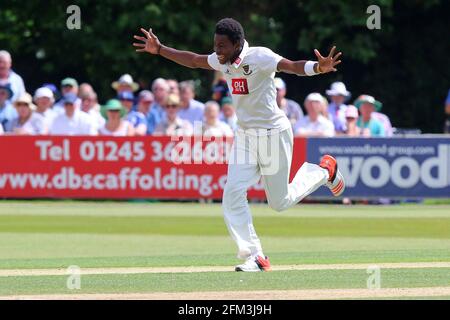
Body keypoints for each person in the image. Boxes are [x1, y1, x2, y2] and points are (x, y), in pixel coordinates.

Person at [134, 17, 344, 272]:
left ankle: (324, 171)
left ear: (237, 44)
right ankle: (255, 256)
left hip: (272, 134)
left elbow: (291, 66)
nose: (216, 51)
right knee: (232, 193)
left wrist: (317, 68)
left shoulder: (260, 57)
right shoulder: (222, 59)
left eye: (221, 46)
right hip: (245, 135)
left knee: (279, 202)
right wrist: (160, 49)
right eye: (215, 45)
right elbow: (193, 60)